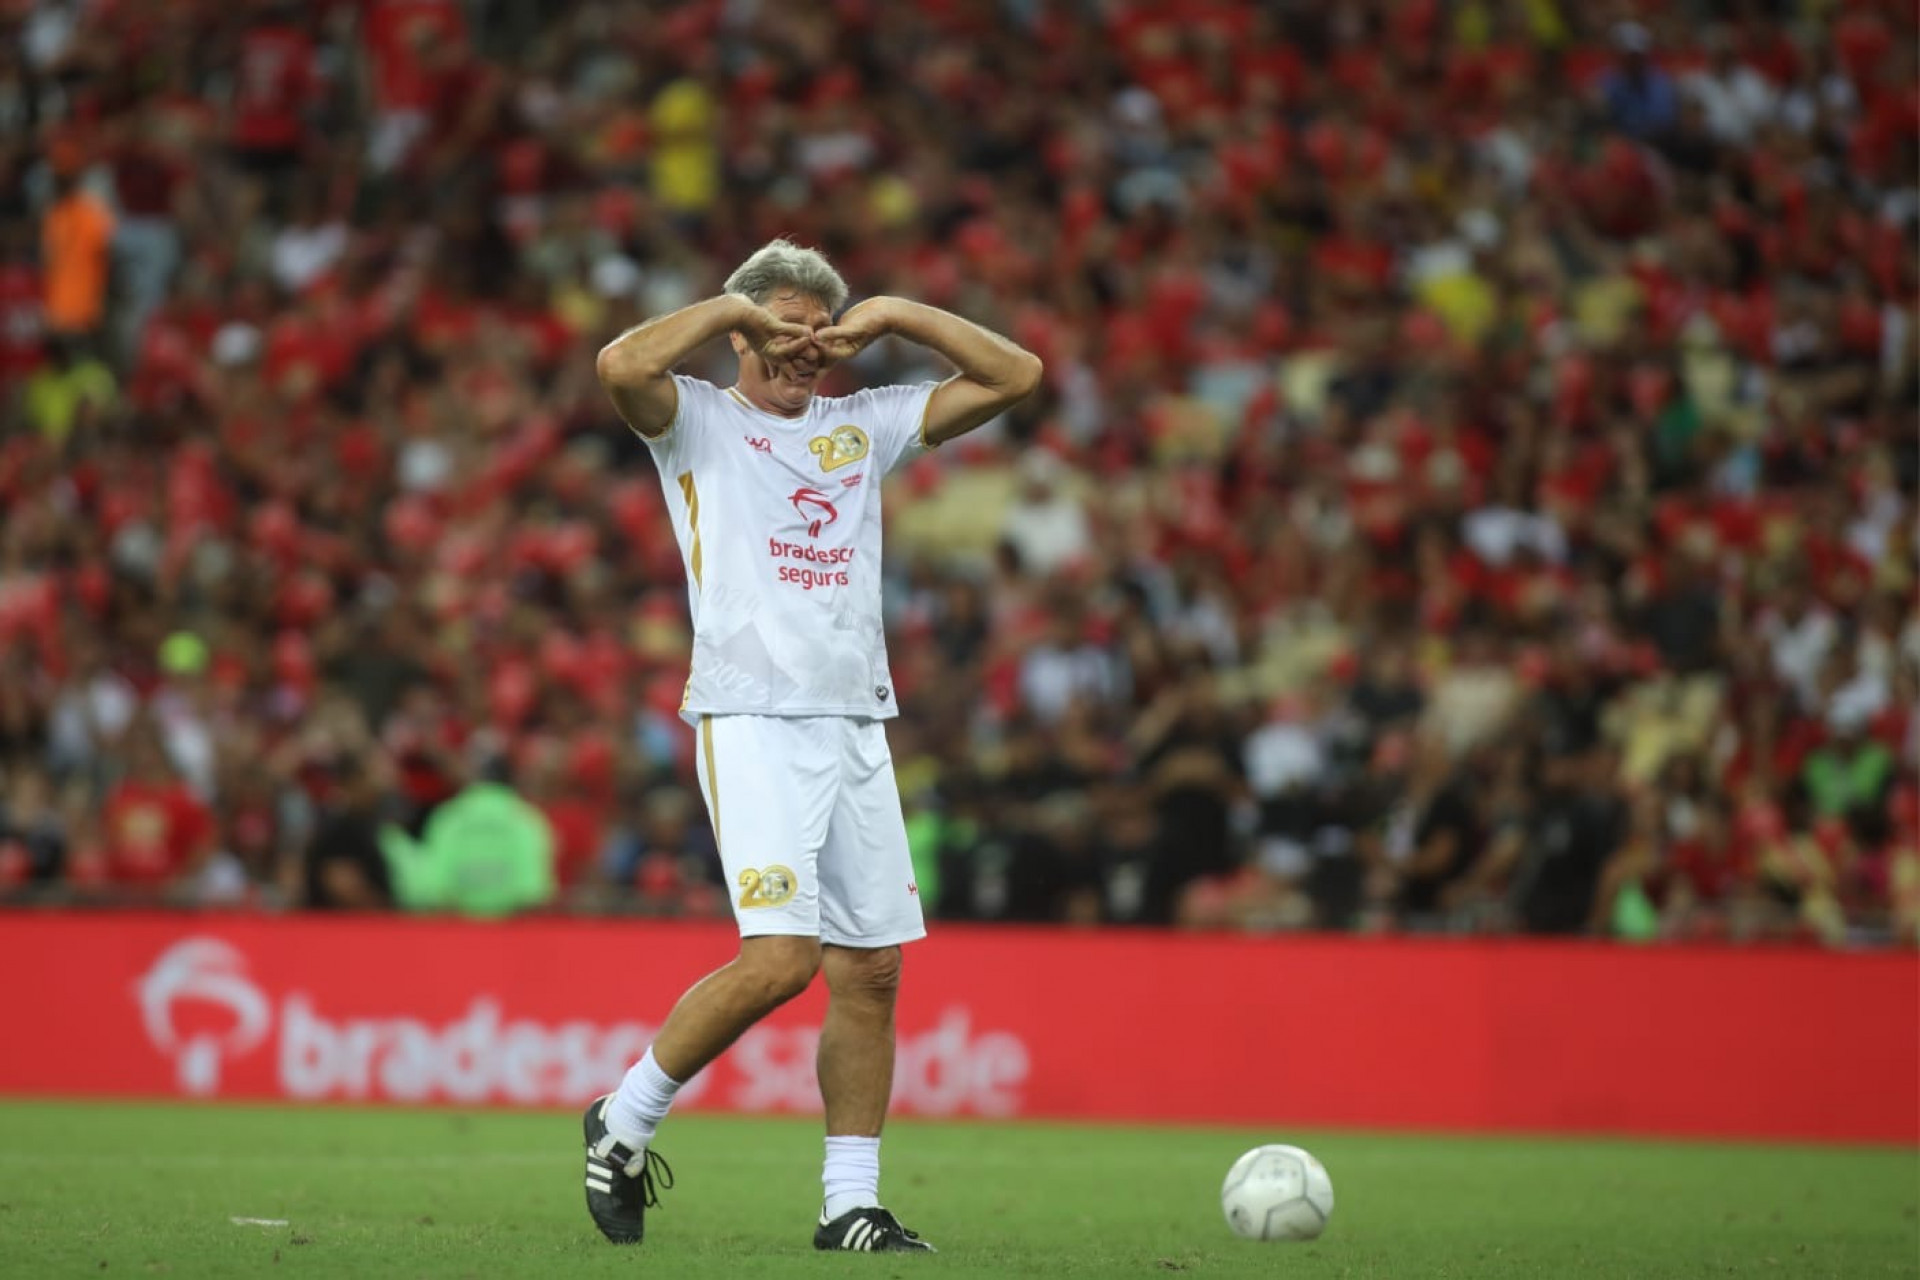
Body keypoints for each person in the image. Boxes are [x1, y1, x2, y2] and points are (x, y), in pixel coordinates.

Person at [582, 238, 1041, 1252]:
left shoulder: (859, 426)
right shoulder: (695, 418)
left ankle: (849, 1204)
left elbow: (1018, 375)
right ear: (744, 329)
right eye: (779, 330)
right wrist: (728, 311)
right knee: (782, 958)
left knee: (872, 972)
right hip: (751, 715)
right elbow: (619, 366)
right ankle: (623, 1118)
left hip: (854, 717)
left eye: (816, 336)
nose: (801, 353)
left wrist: (897, 314)